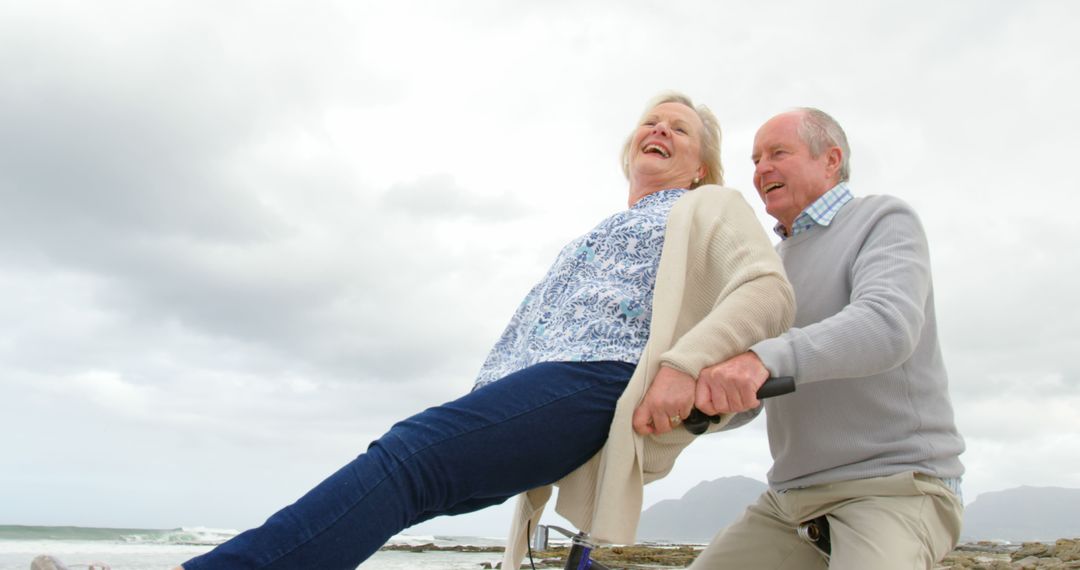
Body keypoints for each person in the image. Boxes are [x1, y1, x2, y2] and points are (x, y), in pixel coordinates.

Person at [176, 93, 795, 570]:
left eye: (679, 128)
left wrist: (685, 364)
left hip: (599, 377)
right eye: (651, 121)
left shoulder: (710, 207)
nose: (659, 128)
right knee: (411, 484)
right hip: (537, 389)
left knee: (410, 460)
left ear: (700, 168)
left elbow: (767, 292)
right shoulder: (596, 231)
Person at [687, 108, 965, 570]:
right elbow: (752, 392)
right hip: (790, 501)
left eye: (778, 153)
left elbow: (886, 326)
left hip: (893, 485)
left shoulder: (883, 219)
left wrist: (761, 358)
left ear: (831, 159)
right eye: (754, 160)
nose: (760, 170)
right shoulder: (766, 269)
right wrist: (701, 407)